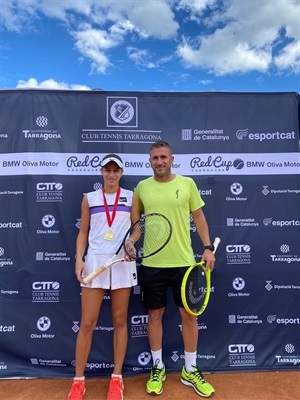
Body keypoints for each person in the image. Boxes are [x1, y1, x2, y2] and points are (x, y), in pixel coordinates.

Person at [131, 140, 216, 398]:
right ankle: (158, 367)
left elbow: (199, 217)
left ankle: (190, 370)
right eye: (155, 157)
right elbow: (136, 226)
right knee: (154, 316)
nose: (159, 161)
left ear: (172, 159)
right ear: (150, 161)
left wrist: (208, 247)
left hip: (184, 265)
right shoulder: (141, 188)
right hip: (152, 265)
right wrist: (129, 243)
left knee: (189, 316)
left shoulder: (187, 184)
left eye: (163, 157)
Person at [68, 154, 137, 400]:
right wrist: (79, 258)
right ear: (101, 172)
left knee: (120, 321)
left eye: (115, 170)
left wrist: (130, 243)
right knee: (87, 323)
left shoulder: (132, 197)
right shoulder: (89, 198)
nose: (111, 174)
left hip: (121, 263)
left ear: (121, 172)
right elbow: (83, 231)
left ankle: (116, 379)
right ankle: (78, 381)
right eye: (107, 170)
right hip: (95, 261)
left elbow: (137, 226)